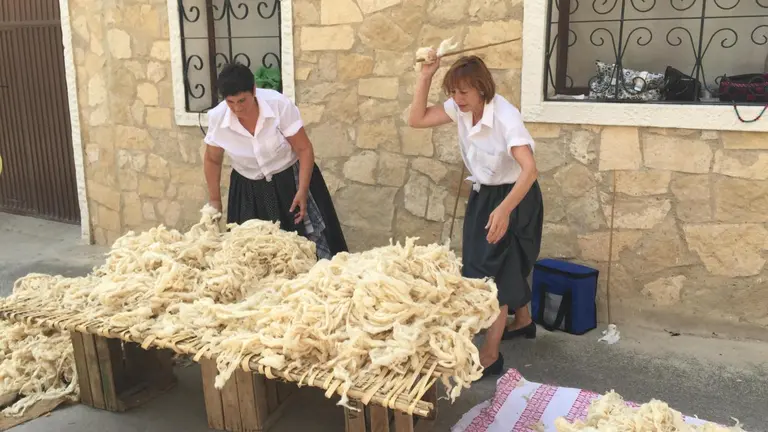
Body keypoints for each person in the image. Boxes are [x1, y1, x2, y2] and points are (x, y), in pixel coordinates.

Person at [407, 54, 544, 377]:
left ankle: (490, 355)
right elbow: (416, 119)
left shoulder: (506, 117)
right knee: (490, 264)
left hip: (515, 196)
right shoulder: (459, 108)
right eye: (453, 92)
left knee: (492, 276)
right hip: (485, 194)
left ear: (482, 89)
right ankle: (523, 321)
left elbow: (530, 170)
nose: (457, 99)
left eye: (464, 92)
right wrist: (426, 75)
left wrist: (504, 209)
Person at [203, 62, 348, 260]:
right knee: (253, 257)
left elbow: (304, 149)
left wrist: (303, 190)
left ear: (254, 90)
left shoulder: (278, 105)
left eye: (242, 100)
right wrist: (215, 200)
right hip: (248, 190)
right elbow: (212, 159)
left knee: (308, 252)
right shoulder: (218, 118)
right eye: (230, 102)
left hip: (291, 181)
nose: (237, 108)